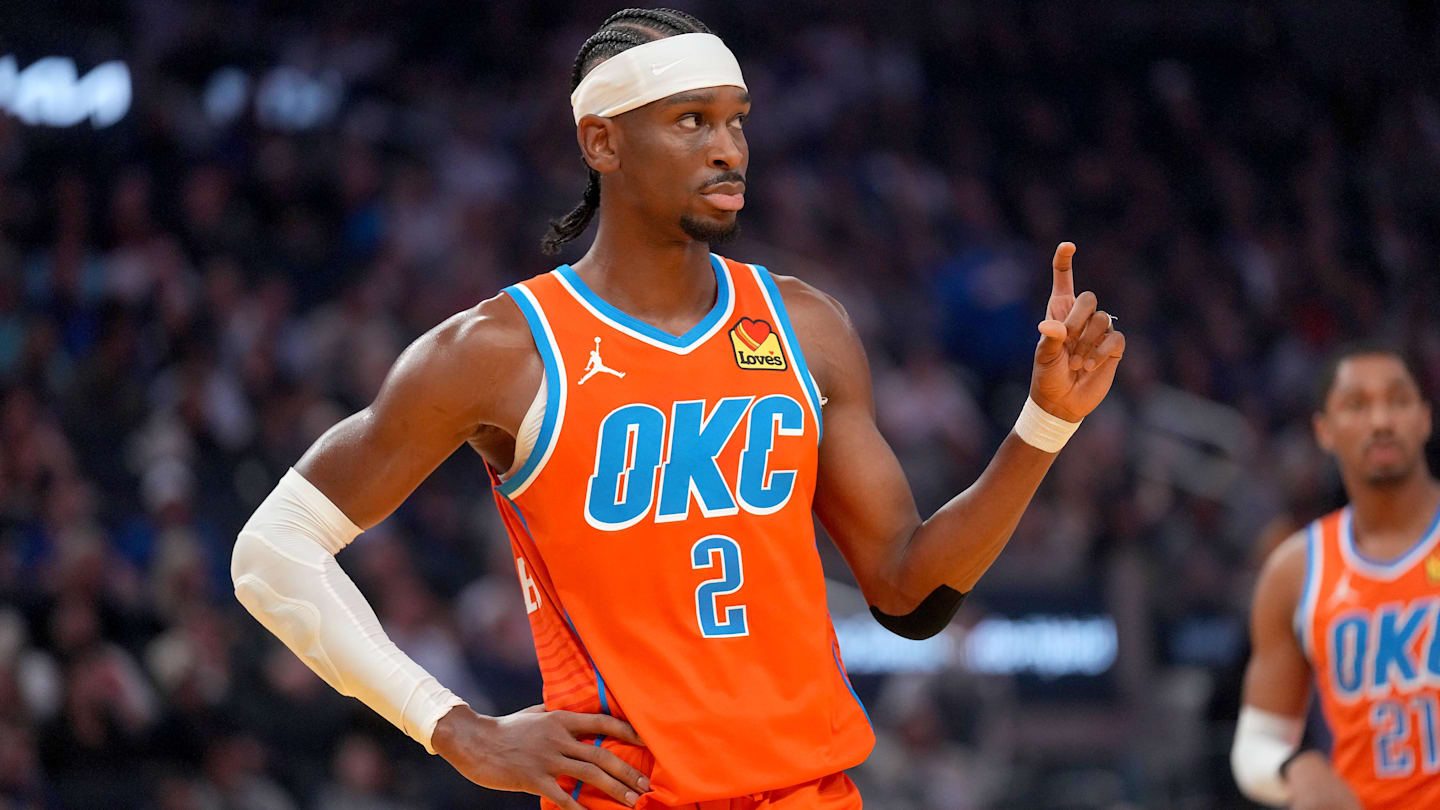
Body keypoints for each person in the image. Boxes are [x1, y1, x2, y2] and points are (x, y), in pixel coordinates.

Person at [229, 8, 1125, 809]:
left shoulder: (805, 324)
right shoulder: (498, 350)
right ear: (602, 143)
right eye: (690, 121)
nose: (729, 149)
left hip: (812, 793)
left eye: (737, 121)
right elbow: (272, 554)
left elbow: (907, 594)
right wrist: (456, 729)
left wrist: (1042, 426)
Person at [1233, 345, 1440, 810]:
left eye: (1399, 401)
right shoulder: (1295, 570)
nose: (1381, 421)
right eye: (1356, 405)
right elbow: (1255, 745)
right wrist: (1297, 767)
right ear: (1323, 431)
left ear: (1425, 419)